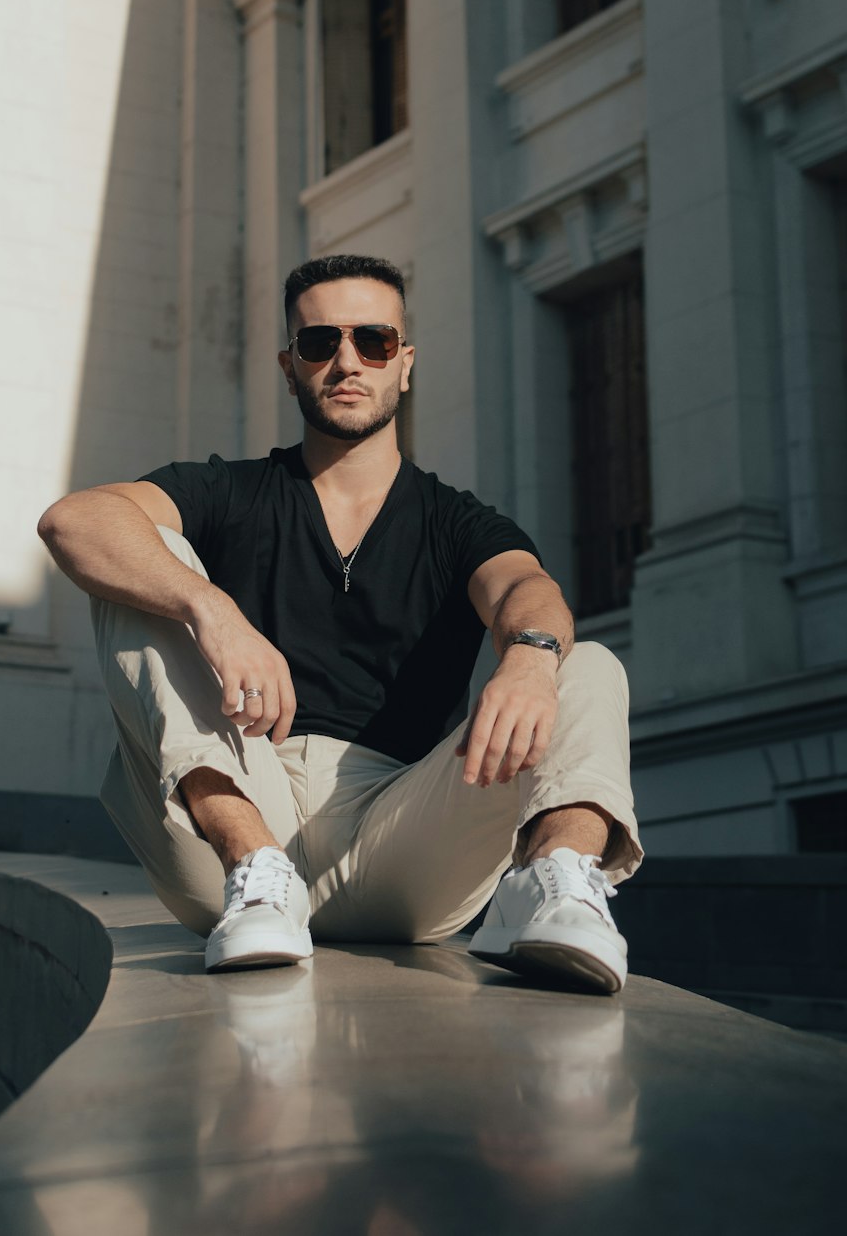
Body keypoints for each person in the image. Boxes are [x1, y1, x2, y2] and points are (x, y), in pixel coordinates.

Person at [38, 254, 641, 992]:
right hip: (234, 813)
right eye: (321, 344)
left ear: (404, 364)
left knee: (581, 661)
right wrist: (210, 607)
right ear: (290, 367)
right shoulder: (232, 493)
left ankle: (555, 885)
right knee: (140, 556)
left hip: (403, 837)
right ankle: (261, 874)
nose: (347, 361)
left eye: (374, 341)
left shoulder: (454, 521)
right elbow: (74, 520)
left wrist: (528, 657)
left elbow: (524, 585)